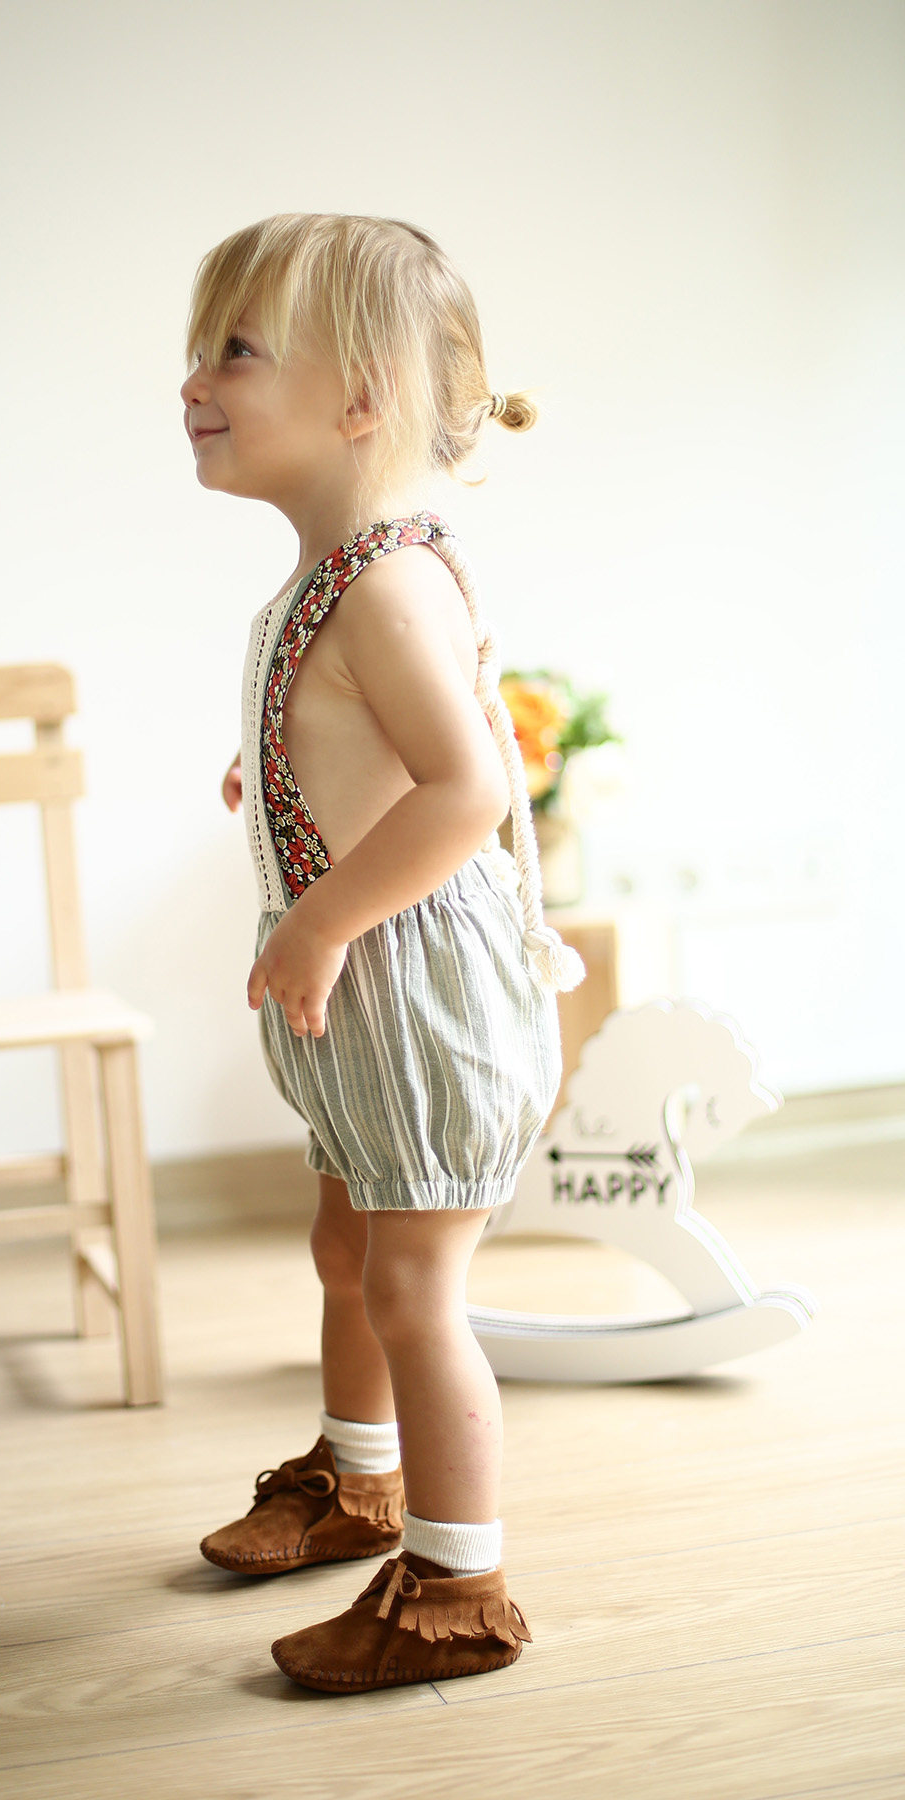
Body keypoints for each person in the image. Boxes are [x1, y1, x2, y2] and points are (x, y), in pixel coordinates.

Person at [179, 213, 584, 1694]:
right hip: (371, 997)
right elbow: (368, 739)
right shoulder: (336, 574)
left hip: (418, 995)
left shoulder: (386, 584)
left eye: (233, 350)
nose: (192, 383)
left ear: (362, 397)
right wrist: (279, 765)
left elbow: (468, 789)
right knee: (346, 1247)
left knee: (413, 1286)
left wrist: (321, 914)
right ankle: (360, 1478)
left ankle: (458, 1586)